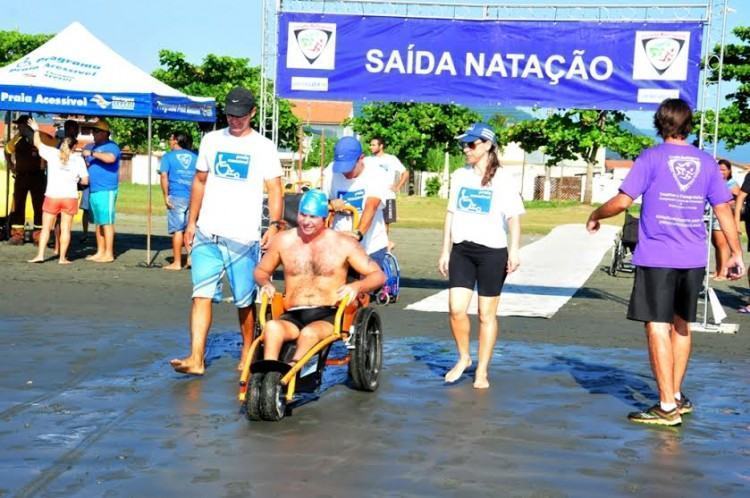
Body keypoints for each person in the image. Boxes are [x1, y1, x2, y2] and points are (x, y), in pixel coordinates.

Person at [587, 98, 744, 426]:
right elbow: (723, 210)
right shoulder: (706, 162)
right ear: (689, 125)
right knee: (681, 325)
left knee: (657, 326)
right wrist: (736, 252)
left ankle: (666, 406)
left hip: (658, 257)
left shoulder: (651, 157)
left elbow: (621, 201)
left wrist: (595, 214)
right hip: (691, 259)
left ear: (660, 123)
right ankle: (674, 396)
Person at [170, 86, 283, 376]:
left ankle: (248, 349)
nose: (234, 121)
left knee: (245, 301)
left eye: (240, 116)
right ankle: (196, 357)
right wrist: (191, 223)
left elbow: (275, 188)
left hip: (243, 237)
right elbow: (200, 181)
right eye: (230, 115)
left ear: (253, 113)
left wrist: (274, 224)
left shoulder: (263, 147)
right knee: (201, 295)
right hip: (208, 231)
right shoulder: (211, 140)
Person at [437, 122, 524, 390]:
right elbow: (451, 214)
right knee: (456, 309)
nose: (466, 148)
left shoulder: (504, 179)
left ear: (487, 145)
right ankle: (464, 357)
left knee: (486, 315)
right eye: (464, 144)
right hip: (462, 250)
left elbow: (514, 219)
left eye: (471, 144)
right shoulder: (460, 176)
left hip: (492, 253)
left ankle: (482, 370)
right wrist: (445, 250)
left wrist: (515, 249)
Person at [254, 189, 385, 364]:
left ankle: (293, 369)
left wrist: (356, 286)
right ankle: (269, 371)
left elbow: (378, 275)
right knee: (271, 327)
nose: (306, 222)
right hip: (293, 312)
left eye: (313, 217)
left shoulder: (343, 243)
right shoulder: (283, 241)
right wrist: (265, 284)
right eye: (303, 215)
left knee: (309, 333)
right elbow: (261, 271)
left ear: (324, 219)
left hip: (328, 313)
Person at [25, 118, 88, 264]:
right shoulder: (78, 160)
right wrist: (76, 180)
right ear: (74, 146)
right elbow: (85, 180)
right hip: (69, 197)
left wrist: (36, 129)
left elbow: (37, 143)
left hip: (52, 195)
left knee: (46, 228)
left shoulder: (53, 154)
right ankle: (62, 258)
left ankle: (40, 255)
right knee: (66, 228)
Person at [323, 136, 390, 268]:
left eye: (349, 167)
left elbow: (371, 206)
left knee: (365, 286)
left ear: (361, 158)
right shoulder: (330, 172)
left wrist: (358, 234)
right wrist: (330, 203)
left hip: (370, 245)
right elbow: (321, 203)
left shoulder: (376, 173)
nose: (345, 172)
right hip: (339, 243)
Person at [4, 115, 48, 245]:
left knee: (39, 206)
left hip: (38, 176)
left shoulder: (39, 137)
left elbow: (48, 150)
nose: (19, 127)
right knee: (18, 205)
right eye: (19, 125)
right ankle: (17, 234)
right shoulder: (17, 139)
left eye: (21, 125)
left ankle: (39, 236)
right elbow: (7, 150)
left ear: (28, 125)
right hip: (21, 176)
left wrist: (44, 163)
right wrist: (11, 165)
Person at [81, 118, 121, 263]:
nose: (93, 134)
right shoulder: (92, 147)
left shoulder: (112, 146)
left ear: (105, 133)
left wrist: (91, 154)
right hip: (94, 189)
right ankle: (100, 251)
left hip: (107, 189)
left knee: (107, 222)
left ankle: (109, 253)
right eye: (93, 131)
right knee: (99, 222)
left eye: (96, 131)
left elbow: (110, 159)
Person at [159, 131, 198, 270]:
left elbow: (164, 176)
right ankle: (191, 256)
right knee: (191, 228)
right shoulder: (196, 156)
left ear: (176, 141)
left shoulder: (168, 157)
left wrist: (165, 196)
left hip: (176, 196)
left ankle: (176, 262)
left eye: (170, 139)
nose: (169, 142)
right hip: (194, 197)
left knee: (177, 230)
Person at [366, 137, 409, 248]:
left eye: (374, 145)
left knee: (386, 222)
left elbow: (405, 173)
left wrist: (397, 186)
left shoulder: (391, 159)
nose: (371, 147)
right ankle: (370, 243)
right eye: (370, 145)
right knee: (370, 219)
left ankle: (384, 245)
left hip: (388, 196)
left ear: (381, 146)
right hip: (373, 196)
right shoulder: (367, 160)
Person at [709, 159, 740, 280]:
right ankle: (718, 270)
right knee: (716, 244)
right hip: (713, 215)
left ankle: (723, 272)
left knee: (722, 245)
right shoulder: (716, 183)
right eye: (719, 169)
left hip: (724, 216)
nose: (721, 172)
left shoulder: (732, 184)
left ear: (729, 171)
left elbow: (737, 202)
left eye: (724, 170)